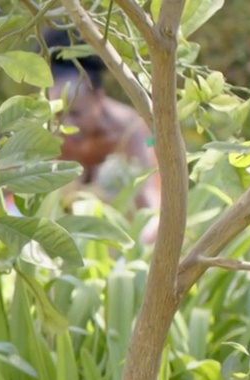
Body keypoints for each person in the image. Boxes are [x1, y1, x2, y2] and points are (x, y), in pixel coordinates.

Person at [43, 28, 162, 243]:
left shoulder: (132, 129)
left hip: (122, 243)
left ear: (98, 97)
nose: (66, 124)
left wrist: (133, 250)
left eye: (76, 113)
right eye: (58, 114)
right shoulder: (47, 131)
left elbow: (153, 207)